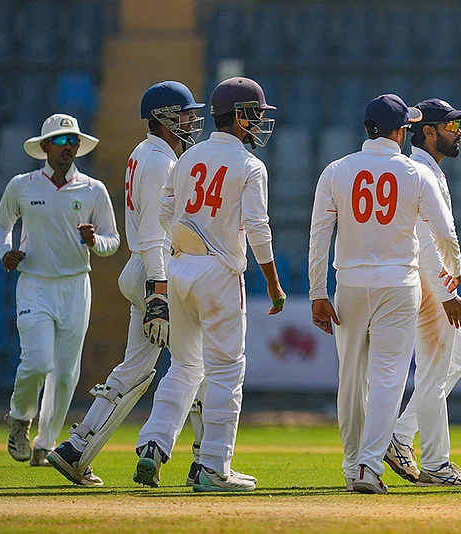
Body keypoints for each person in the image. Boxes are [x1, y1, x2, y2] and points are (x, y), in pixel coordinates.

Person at [47, 81, 205, 487]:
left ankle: (76, 449)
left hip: (143, 270)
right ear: (165, 118)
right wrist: (159, 291)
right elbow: (154, 233)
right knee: (196, 366)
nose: (191, 121)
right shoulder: (160, 163)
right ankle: (198, 461)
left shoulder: (146, 153)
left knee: (135, 369)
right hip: (157, 272)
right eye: (184, 115)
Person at [133, 76, 286, 492]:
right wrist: (273, 284)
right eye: (255, 115)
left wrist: (190, 236)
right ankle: (212, 466)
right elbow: (258, 228)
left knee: (183, 366)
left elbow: (166, 210)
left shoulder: (188, 156)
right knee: (226, 372)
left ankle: (153, 442)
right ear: (239, 117)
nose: (258, 124)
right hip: (219, 274)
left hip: (180, 266)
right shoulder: (251, 165)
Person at [308, 94, 461, 494]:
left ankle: (350, 463)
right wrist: (454, 269)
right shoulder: (415, 173)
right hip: (398, 282)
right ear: (400, 131)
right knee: (388, 378)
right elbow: (443, 232)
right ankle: (368, 466)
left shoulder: (336, 170)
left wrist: (316, 292)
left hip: (350, 283)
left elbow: (319, 235)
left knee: (351, 377)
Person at [0, 114, 119, 468]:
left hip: (75, 285)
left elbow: (112, 240)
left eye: (73, 141)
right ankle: (20, 418)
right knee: (37, 362)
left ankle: (45, 444)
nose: (69, 147)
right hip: (34, 284)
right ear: (45, 146)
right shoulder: (22, 185)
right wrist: (6, 252)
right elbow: (2, 225)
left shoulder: (93, 189)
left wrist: (94, 240)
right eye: (62, 141)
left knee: (66, 374)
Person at [383, 98, 461, 487]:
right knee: (433, 372)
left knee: (453, 362)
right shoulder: (419, 170)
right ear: (428, 131)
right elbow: (425, 238)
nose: (458, 134)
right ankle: (438, 464)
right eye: (451, 127)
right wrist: (444, 292)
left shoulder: (428, 169)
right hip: (428, 282)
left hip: (430, 279)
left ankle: (400, 435)